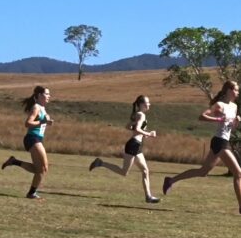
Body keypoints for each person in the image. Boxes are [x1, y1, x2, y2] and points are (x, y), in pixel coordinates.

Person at [163, 80, 241, 213]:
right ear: (229, 90)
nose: (238, 93)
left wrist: (236, 123)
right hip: (219, 141)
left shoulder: (234, 107)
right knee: (238, 173)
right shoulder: (219, 105)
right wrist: (218, 119)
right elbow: (202, 116)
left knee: (203, 171)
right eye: (236, 90)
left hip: (224, 140)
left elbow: (231, 129)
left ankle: (171, 180)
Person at [89, 95, 160, 203]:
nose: (149, 104)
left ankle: (148, 197)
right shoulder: (141, 115)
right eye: (147, 102)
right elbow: (136, 128)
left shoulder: (138, 115)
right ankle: (101, 163)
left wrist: (142, 134)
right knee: (124, 172)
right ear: (141, 104)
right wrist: (149, 134)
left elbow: (128, 127)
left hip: (137, 145)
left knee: (145, 171)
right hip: (133, 145)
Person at [1, 86, 53, 199]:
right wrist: (42, 121)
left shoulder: (43, 108)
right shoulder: (36, 107)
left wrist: (46, 122)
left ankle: (14, 161)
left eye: (49, 94)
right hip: (32, 138)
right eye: (47, 94)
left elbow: (41, 122)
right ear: (39, 95)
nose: (49, 96)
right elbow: (28, 123)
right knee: (44, 167)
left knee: (39, 169)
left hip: (37, 138)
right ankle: (31, 193)